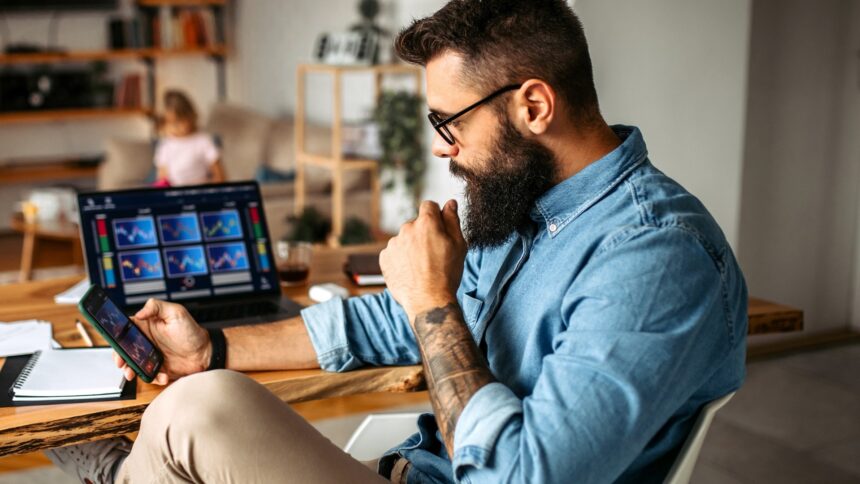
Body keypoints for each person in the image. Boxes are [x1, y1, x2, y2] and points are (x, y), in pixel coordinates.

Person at [46, 1, 748, 482]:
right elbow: (388, 317)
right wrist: (213, 348)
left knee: (193, 412)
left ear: (533, 106)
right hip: (407, 468)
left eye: (449, 123)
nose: (443, 150)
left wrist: (433, 299)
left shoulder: (655, 258)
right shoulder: (526, 213)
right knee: (205, 390)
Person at [152, 90, 226, 187]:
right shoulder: (166, 145)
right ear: (162, 125)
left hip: (199, 192)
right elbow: (162, 177)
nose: (178, 127)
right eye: (171, 124)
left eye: (180, 121)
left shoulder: (202, 140)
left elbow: (220, 176)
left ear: (190, 115)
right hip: (175, 194)